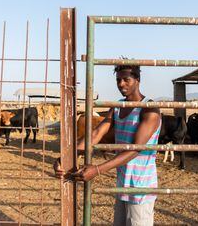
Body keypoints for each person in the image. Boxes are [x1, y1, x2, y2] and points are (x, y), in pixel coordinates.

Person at [54, 63, 161, 226]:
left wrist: (97, 170)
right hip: (122, 184)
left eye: (126, 80)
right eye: (118, 80)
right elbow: (96, 134)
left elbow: (136, 149)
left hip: (141, 187)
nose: (121, 84)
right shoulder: (118, 106)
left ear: (137, 80)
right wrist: (68, 157)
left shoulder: (149, 109)